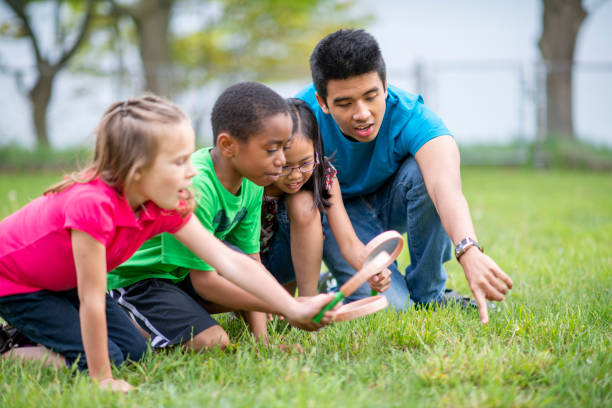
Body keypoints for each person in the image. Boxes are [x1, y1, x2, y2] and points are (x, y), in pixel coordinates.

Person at [0, 94, 336, 394]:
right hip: (16, 282)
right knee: (101, 360)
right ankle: (8, 351)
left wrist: (292, 307)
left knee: (135, 353)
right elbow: (90, 298)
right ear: (138, 170)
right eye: (178, 162)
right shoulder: (93, 205)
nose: (191, 171)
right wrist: (102, 380)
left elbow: (228, 260)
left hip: (63, 282)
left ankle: (38, 330)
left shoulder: (164, 203)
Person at [296, 29, 513, 324]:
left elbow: (445, 187)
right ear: (322, 101)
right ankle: (336, 284)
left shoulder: (415, 117)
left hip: (389, 199)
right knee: (394, 309)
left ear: (385, 85)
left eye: (371, 96)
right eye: (345, 104)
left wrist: (469, 251)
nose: (362, 113)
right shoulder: (297, 119)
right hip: (337, 214)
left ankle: (430, 294)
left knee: (424, 173)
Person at [107, 83, 329, 353]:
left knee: (248, 280)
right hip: (138, 281)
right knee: (213, 342)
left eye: (284, 149)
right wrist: (286, 306)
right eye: (272, 150)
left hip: (180, 277)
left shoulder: (253, 181)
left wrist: (264, 341)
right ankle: (120, 319)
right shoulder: (197, 186)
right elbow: (206, 283)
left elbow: (250, 263)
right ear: (228, 145)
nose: (282, 160)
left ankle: (181, 316)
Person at [261, 98, 390, 297]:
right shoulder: (253, 178)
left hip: (285, 265)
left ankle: (308, 299)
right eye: (285, 166)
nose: (295, 175)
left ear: (317, 150)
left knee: (303, 202)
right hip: (246, 266)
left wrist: (370, 267)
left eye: (305, 163)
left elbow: (349, 243)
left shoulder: (323, 175)